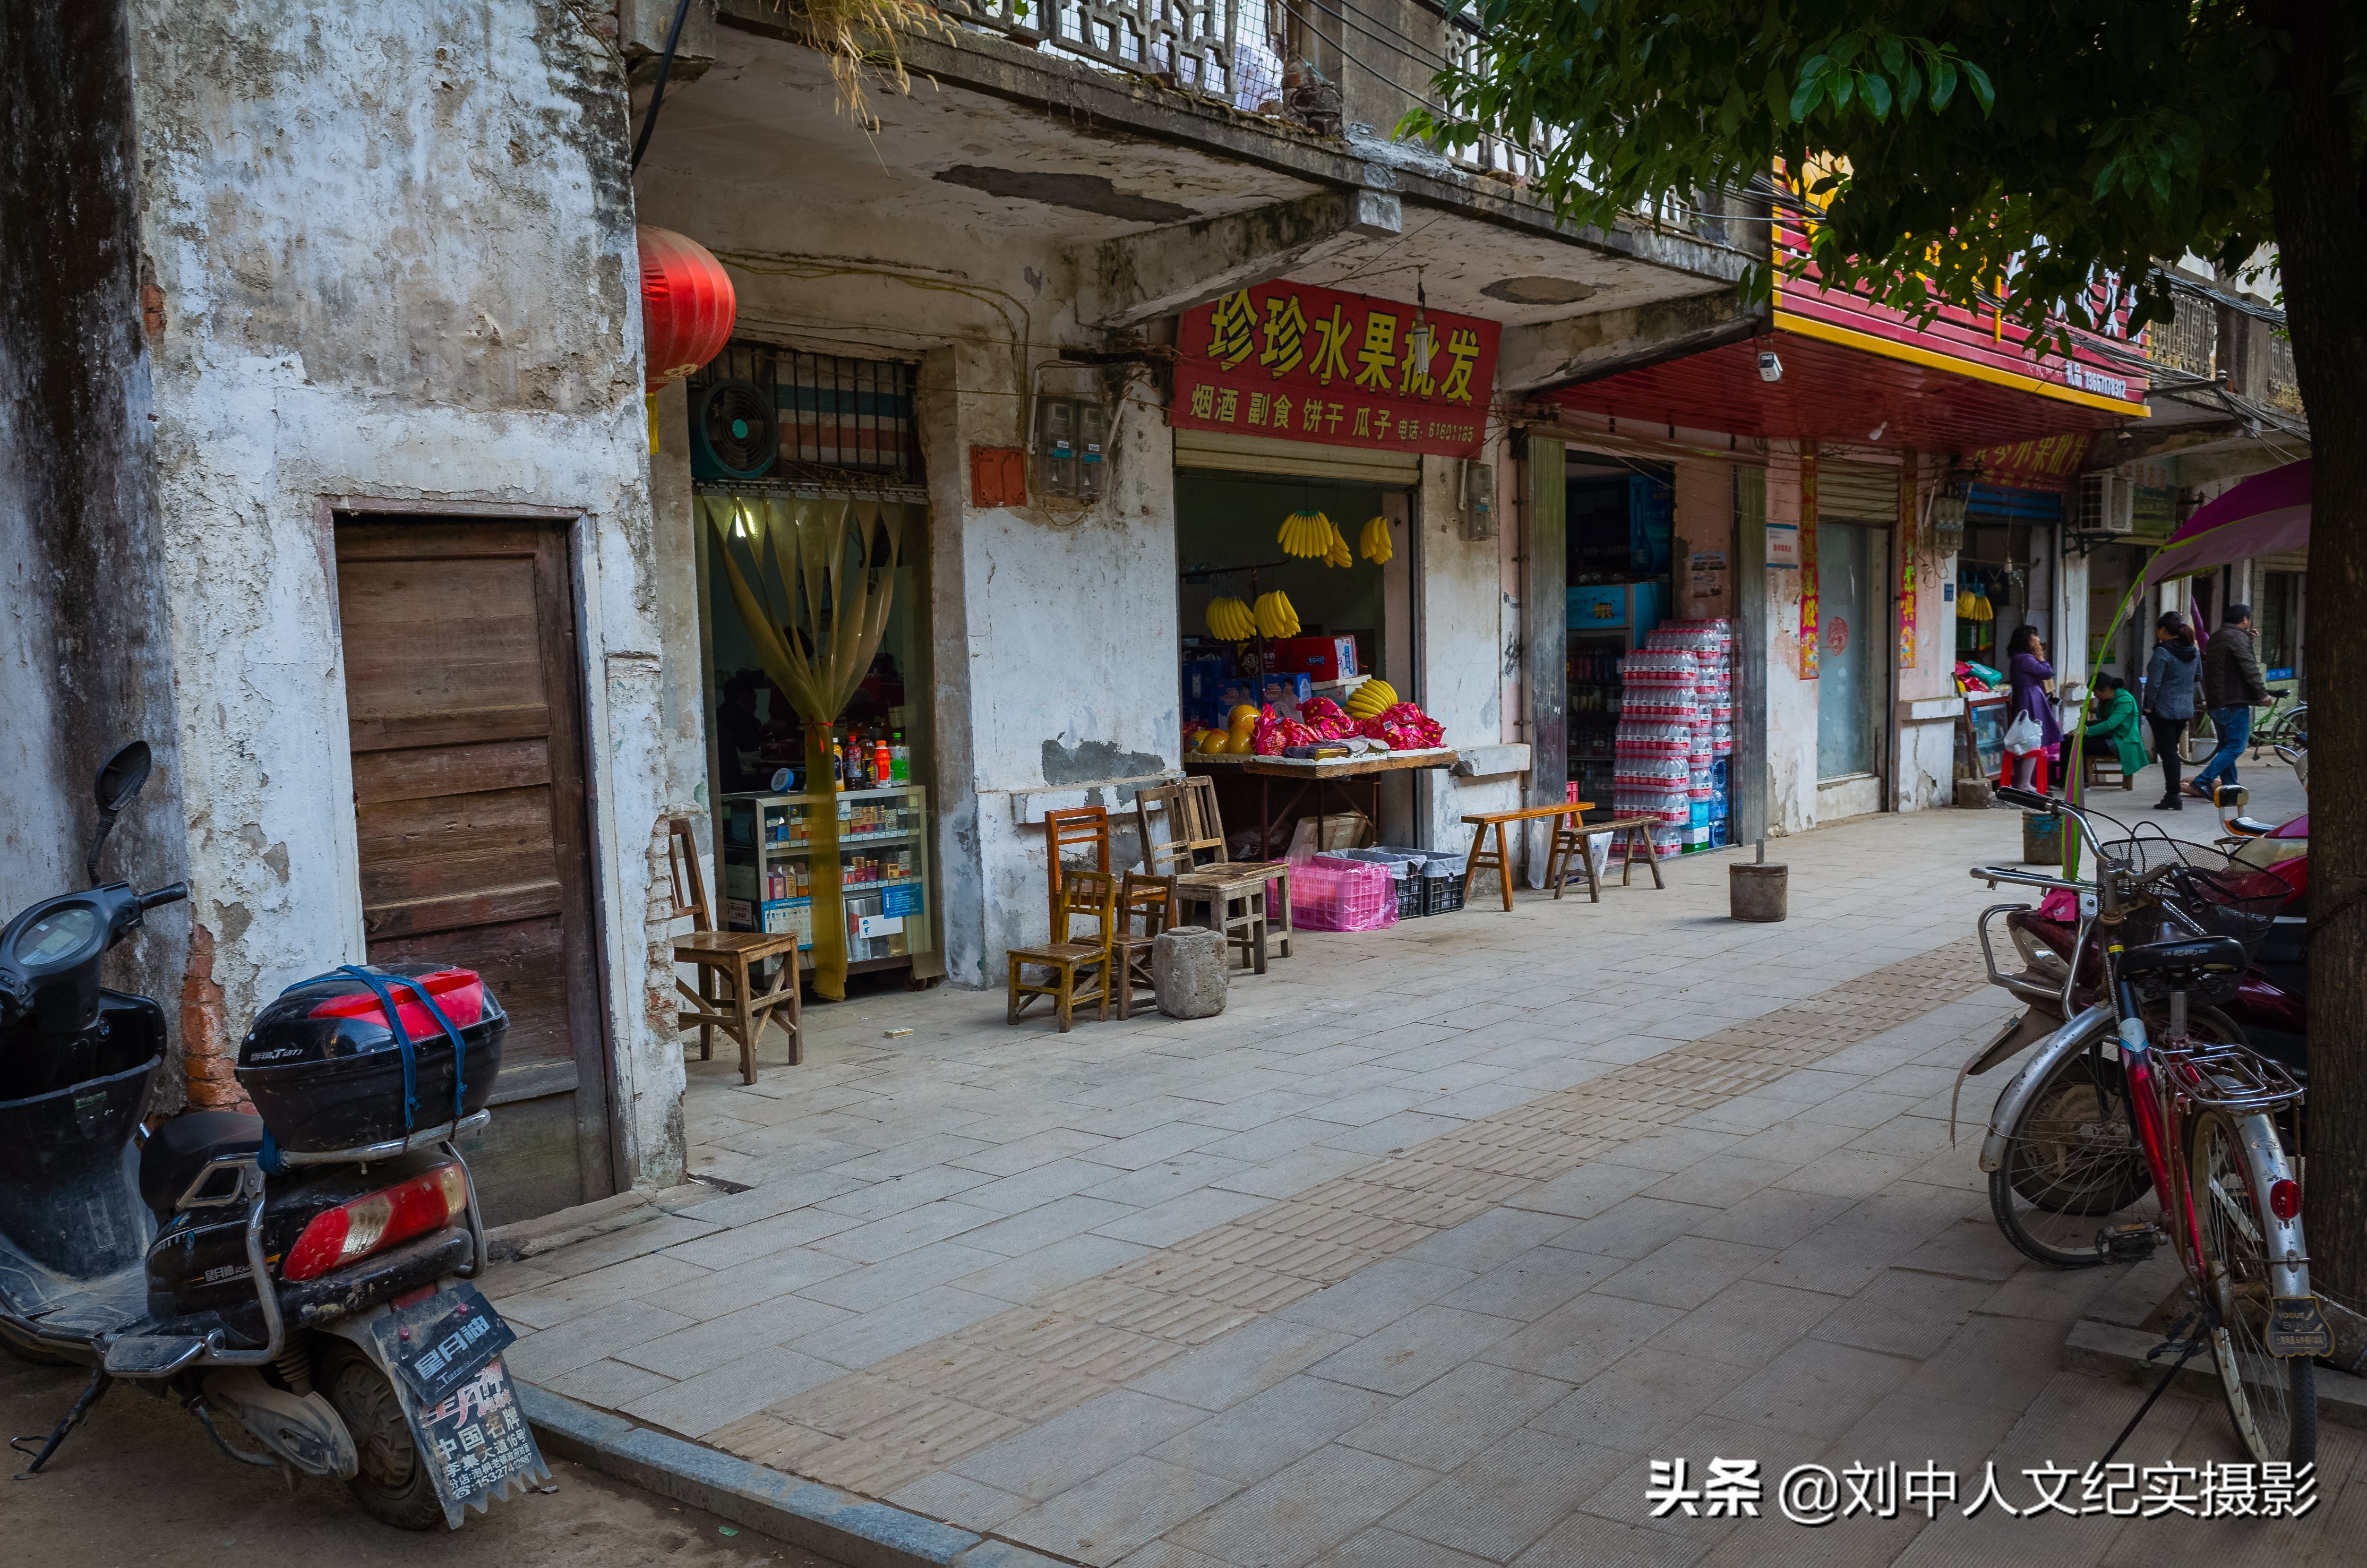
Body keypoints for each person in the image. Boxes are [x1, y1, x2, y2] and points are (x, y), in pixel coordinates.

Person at [2189, 603, 2271, 801]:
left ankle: (2231, 789)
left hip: (2217, 701)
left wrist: (2247, 640)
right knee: (2236, 746)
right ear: (2245, 620)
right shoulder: (2236, 637)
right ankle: (2203, 780)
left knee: (2227, 746)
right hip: (2233, 702)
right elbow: (2248, 667)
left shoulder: (2219, 636)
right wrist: (2262, 694)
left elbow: (2230, 662)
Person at [2142, 611, 2201, 809]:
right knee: (2171, 752)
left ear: (2164, 630)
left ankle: (2173, 795)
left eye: (2158, 629)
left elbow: (2153, 683)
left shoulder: (2162, 652)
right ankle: (2173, 794)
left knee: (2168, 753)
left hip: (2163, 709)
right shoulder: (2194, 651)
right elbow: (2198, 676)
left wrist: (2148, 706)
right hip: (2184, 709)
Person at [2061, 672, 2149, 790]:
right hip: (2108, 736)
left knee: (2079, 743)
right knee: (2066, 739)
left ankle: (2082, 783)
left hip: (2121, 741)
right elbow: (2103, 714)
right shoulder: (2108, 700)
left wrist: (2085, 731)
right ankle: (2064, 780)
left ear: (2106, 689)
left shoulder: (2125, 701)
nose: (2095, 695)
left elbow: (2110, 724)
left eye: (2095, 692)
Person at [2003, 625, 2060, 791]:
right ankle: (2025, 783)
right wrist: (2041, 657)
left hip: (2030, 696)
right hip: (2030, 698)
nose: (2038, 639)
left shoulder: (2019, 658)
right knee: (2032, 740)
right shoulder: (2025, 659)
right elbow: (2046, 672)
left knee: (2032, 740)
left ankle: (2025, 782)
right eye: (2034, 636)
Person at [715, 672, 766, 793]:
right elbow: (755, 750)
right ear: (744, 697)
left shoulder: (716, 716)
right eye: (754, 699)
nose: (756, 705)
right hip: (735, 782)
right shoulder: (746, 721)